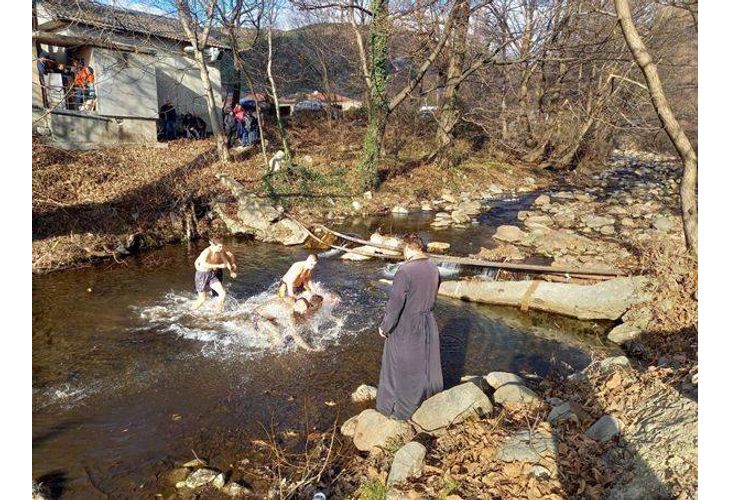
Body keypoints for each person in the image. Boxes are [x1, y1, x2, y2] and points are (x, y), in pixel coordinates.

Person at [376, 233, 443, 420]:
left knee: (398, 366)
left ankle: (396, 411)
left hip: (406, 324)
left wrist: (385, 327)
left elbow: (395, 304)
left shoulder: (404, 271)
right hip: (428, 322)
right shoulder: (433, 268)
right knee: (424, 364)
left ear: (408, 248)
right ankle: (426, 403)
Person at [254, 294, 324, 350]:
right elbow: (295, 335)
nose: (303, 313)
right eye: (301, 312)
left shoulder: (293, 300)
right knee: (278, 337)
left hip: (268, 313)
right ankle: (271, 353)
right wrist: (310, 349)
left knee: (284, 327)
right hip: (258, 317)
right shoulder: (289, 312)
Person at [192, 235, 238, 312]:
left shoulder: (219, 251)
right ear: (213, 245)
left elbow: (226, 261)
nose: (221, 249)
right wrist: (218, 265)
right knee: (202, 299)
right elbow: (203, 264)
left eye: (222, 246)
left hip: (211, 274)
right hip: (201, 275)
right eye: (219, 247)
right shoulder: (206, 251)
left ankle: (218, 312)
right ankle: (191, 311)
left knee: (223, 294)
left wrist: (231, 271)